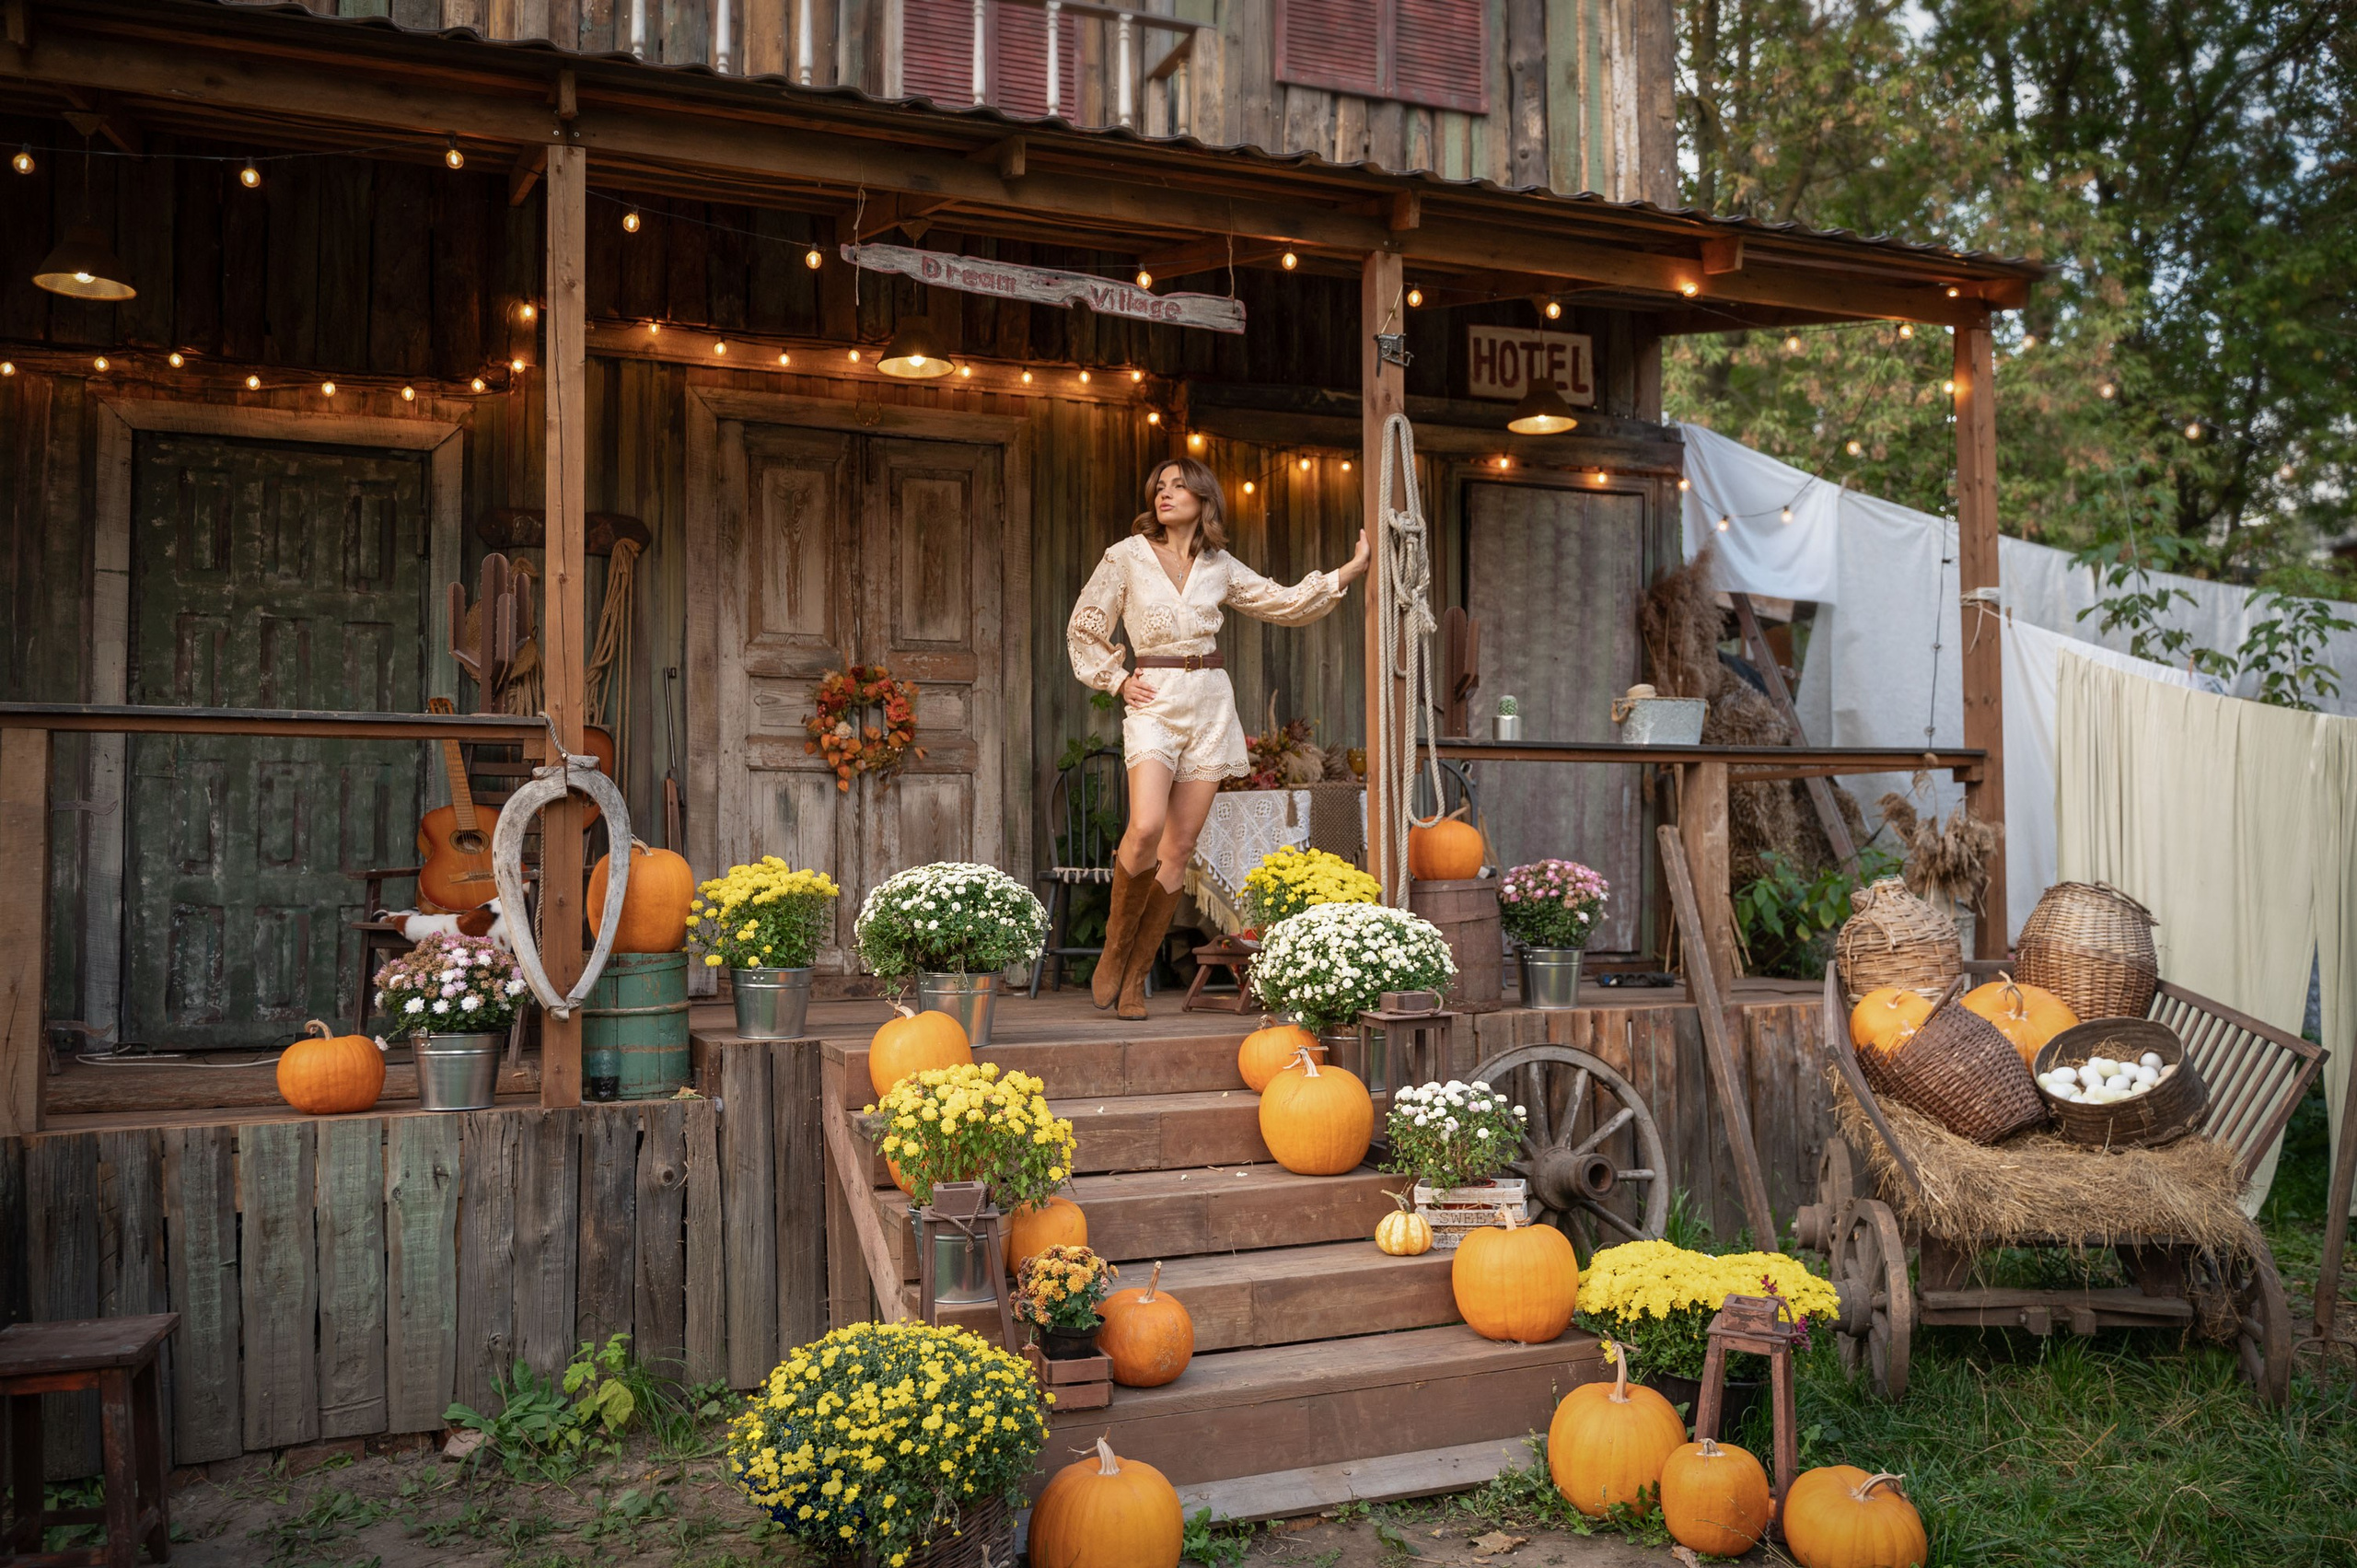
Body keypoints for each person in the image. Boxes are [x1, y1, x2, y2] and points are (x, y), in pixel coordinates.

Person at [1065, 456, 1371, 1019]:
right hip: (1155, 699)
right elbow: (1086, 625)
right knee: (1146, 827)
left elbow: (1280, 601)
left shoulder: (1219, 565)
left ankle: (1134, 979)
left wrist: (1346, 573)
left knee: (1179, 848)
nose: (1166, 494)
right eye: (1160, 486)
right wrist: (1115, 678)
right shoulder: (1126, 556)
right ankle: (1113, 951)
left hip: (1210, 704)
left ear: (1204, 500)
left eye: (1179, 486)